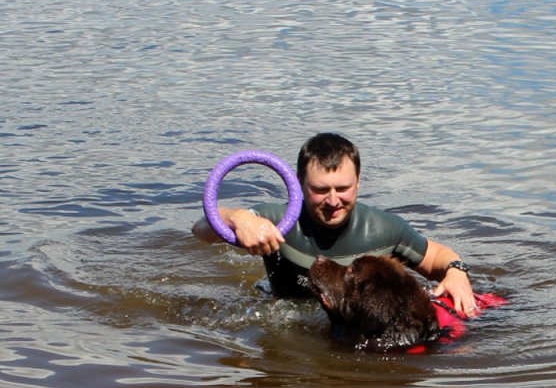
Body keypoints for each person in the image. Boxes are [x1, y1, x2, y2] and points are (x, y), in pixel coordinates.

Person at [192, 132, 479, 316]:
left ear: (358, 182)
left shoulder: (383, 230)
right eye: (320, 190)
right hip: (286, 312)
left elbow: (440, 257)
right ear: (300, 184)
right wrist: (237, 217)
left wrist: (457, 272)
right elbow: (201, 229)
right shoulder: (278, 222)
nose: (333, 201)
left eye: (343, 188)